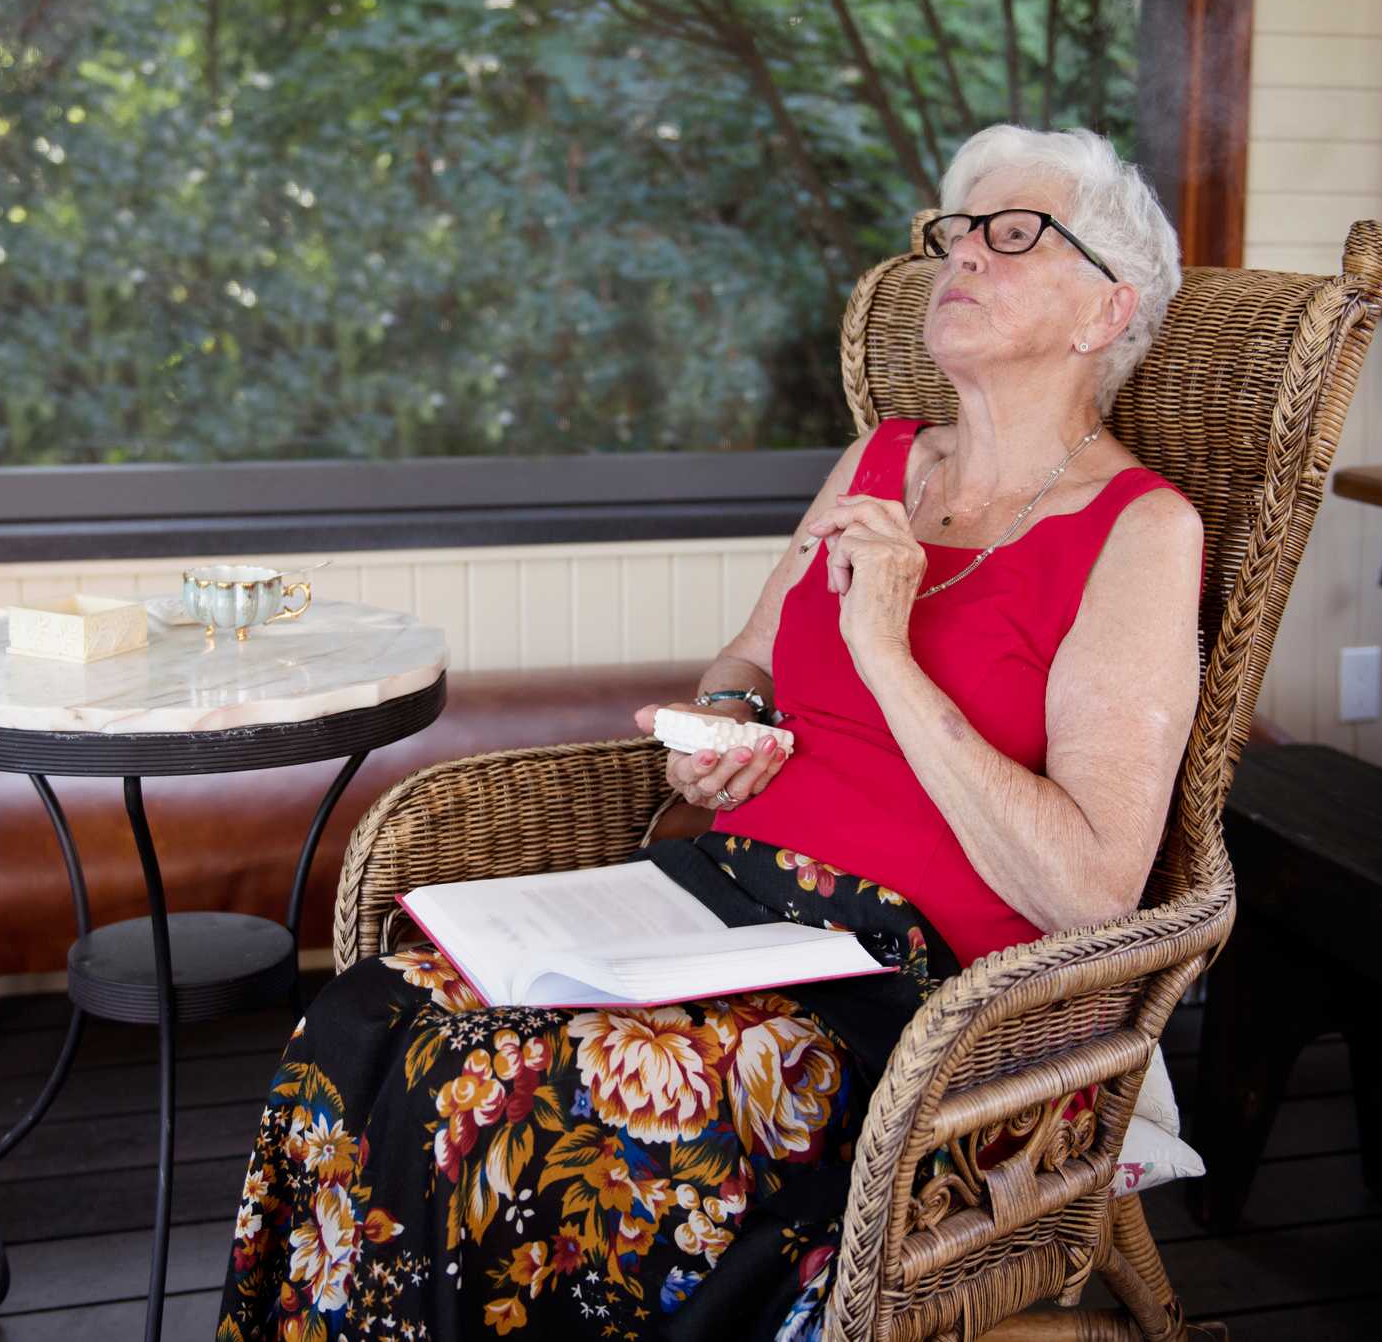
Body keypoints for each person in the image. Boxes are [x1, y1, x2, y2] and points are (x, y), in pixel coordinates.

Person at [217, 124, 1203, 1342]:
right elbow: (748, 657)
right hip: (707, 906)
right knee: (362, 1019)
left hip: (894, 989)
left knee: (493, 1097)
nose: (961, 255)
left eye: (1014, 234)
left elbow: (1094, 890)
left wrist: (887, 654)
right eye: (955, 230)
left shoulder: (1140, 532)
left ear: (1108, 310)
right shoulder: (881, 459)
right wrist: (727, 725)